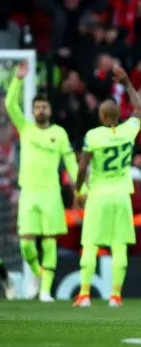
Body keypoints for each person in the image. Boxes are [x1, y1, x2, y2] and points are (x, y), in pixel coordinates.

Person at [5, 61, 84, 302]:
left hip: (51, 193)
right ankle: (38, 273)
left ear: (49, 111)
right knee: (27, 245)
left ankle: (46, 291)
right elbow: (9, 104)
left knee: (50, 242)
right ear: (32, 110)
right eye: (37, 107)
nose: (40, 111)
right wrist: (18, 79)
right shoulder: (26, 129)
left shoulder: (59, 134)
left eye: (44, 108)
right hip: (28, 193)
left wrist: (80, 187)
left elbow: (70, 162)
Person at [73, 65, 141, 308]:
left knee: (91, 243)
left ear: (102, 117)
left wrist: (77, 190)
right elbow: (140, 108)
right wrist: (127, 83)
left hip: (99, 194)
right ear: (117, 116)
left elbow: (83, 167)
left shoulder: (93, 136)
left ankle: (84, 294)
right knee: (119, 245)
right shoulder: (128, 131)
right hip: (122, 195)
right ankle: (115, 296)